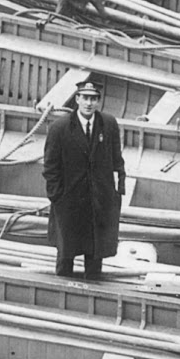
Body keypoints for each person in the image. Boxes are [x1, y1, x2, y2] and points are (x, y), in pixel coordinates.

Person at [42, 77, 125, 280]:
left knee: (96, 249)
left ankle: (93, 285)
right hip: (69, 200)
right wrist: (56, 196)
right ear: (77, 99)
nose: (89, 103)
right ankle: (62, 286)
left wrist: (116, 192)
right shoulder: (60, 129)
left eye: (94, 99)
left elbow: (117, 160)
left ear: (98, 101)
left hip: (98, 199)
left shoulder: (109, 124)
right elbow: (50, 167)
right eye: (85, 98)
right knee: (66, 251)